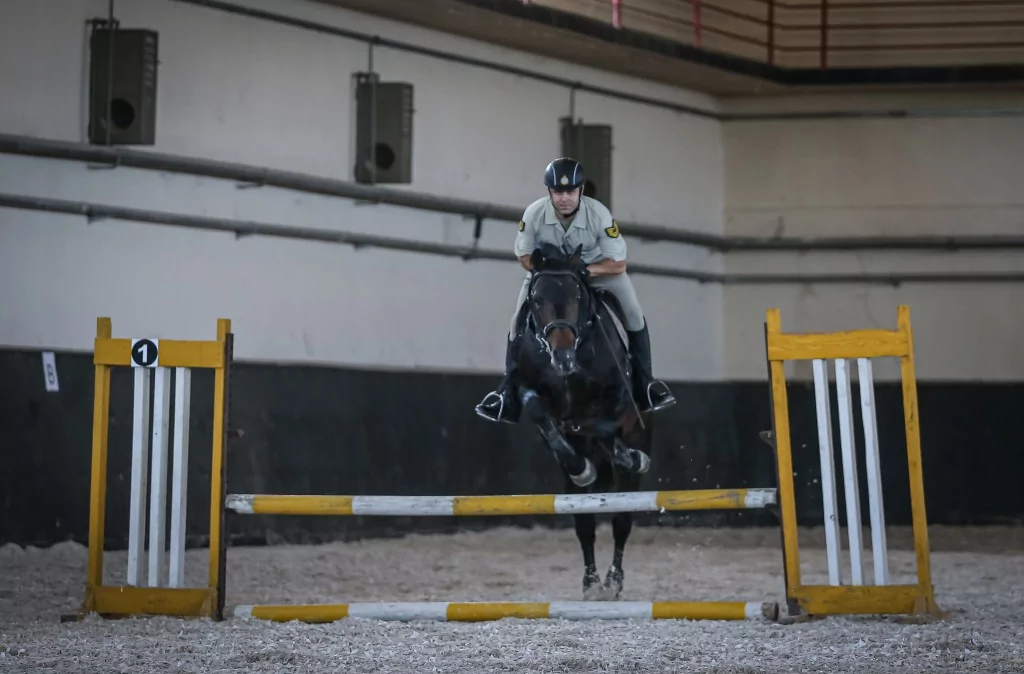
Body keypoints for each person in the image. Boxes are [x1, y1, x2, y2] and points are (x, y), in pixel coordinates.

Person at [475, 156, 676, 423]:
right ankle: (507, 394)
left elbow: (618, 263)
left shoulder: (599, 214)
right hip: (548, 273)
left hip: (597, 272)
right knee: (516, 321)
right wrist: (543, 269)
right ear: (550, 192)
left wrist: (587, 271)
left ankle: (646, 385)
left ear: (581, 191)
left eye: (571, 191)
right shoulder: (533, 214)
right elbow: (524, 257)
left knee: (633, 313)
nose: (565, 198)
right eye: (558, 192)